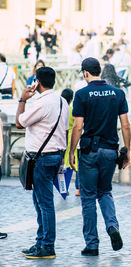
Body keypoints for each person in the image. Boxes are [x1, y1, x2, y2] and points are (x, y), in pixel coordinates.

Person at [69, 57, 131, 256]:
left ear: (85, 73)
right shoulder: (118, 93)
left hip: (89, 151)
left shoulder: (82, 94)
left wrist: (71, 151)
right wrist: (127, 149)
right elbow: (126, 125)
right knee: (105, 192)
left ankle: (92, 244)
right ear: (100, 71)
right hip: (110, 150)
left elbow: (78, 126)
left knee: (88, 197)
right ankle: (112, 226)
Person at [16, 67, 70, 259]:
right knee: (40, 201)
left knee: (45, 204)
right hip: (55, 156)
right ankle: (40, 241)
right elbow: (64, 131)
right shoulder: (62, 101)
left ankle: (47, 246)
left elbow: (19, 122)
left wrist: (23, 99)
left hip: (42, 158)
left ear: (37, 82)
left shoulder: (42, 103)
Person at [61, 88, 80, 196]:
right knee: (76, 164)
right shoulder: (72, 110)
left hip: (61, 138)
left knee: (65, 164)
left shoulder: (59, 109)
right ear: (71, 99)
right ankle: (78, 189)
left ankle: (64, 188)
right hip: (72, 139)